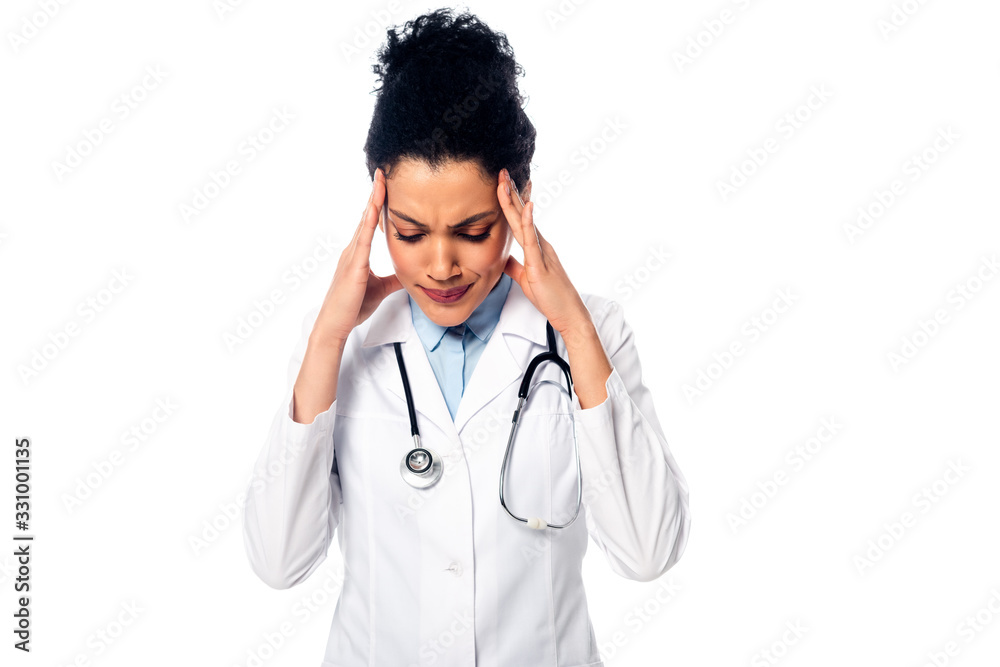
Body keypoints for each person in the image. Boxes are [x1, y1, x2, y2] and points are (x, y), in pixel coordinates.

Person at [242, 8, 690, 666]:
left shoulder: (588, 334)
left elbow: (648, 551)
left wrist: (574, 327)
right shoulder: (340, 344)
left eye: (473, 231)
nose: (441, 265)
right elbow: (278, 561)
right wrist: (327, 342)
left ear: (520, 200)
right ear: (378, 210)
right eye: (410, 233)